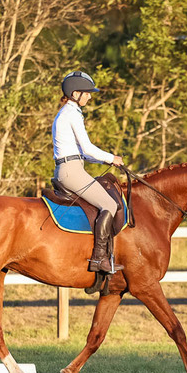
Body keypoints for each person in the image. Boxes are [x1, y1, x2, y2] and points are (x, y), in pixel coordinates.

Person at [52, 71, 125, 274]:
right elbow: (88, 148)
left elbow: (83, 153)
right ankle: (98, 258)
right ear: (76, 93)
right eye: (87, 93)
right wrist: (112, 158)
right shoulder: (72, 114)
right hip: (71, 171)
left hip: (71, 167)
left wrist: (110, 161)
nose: (90, 96)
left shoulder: (66, 113)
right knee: (110, 204)